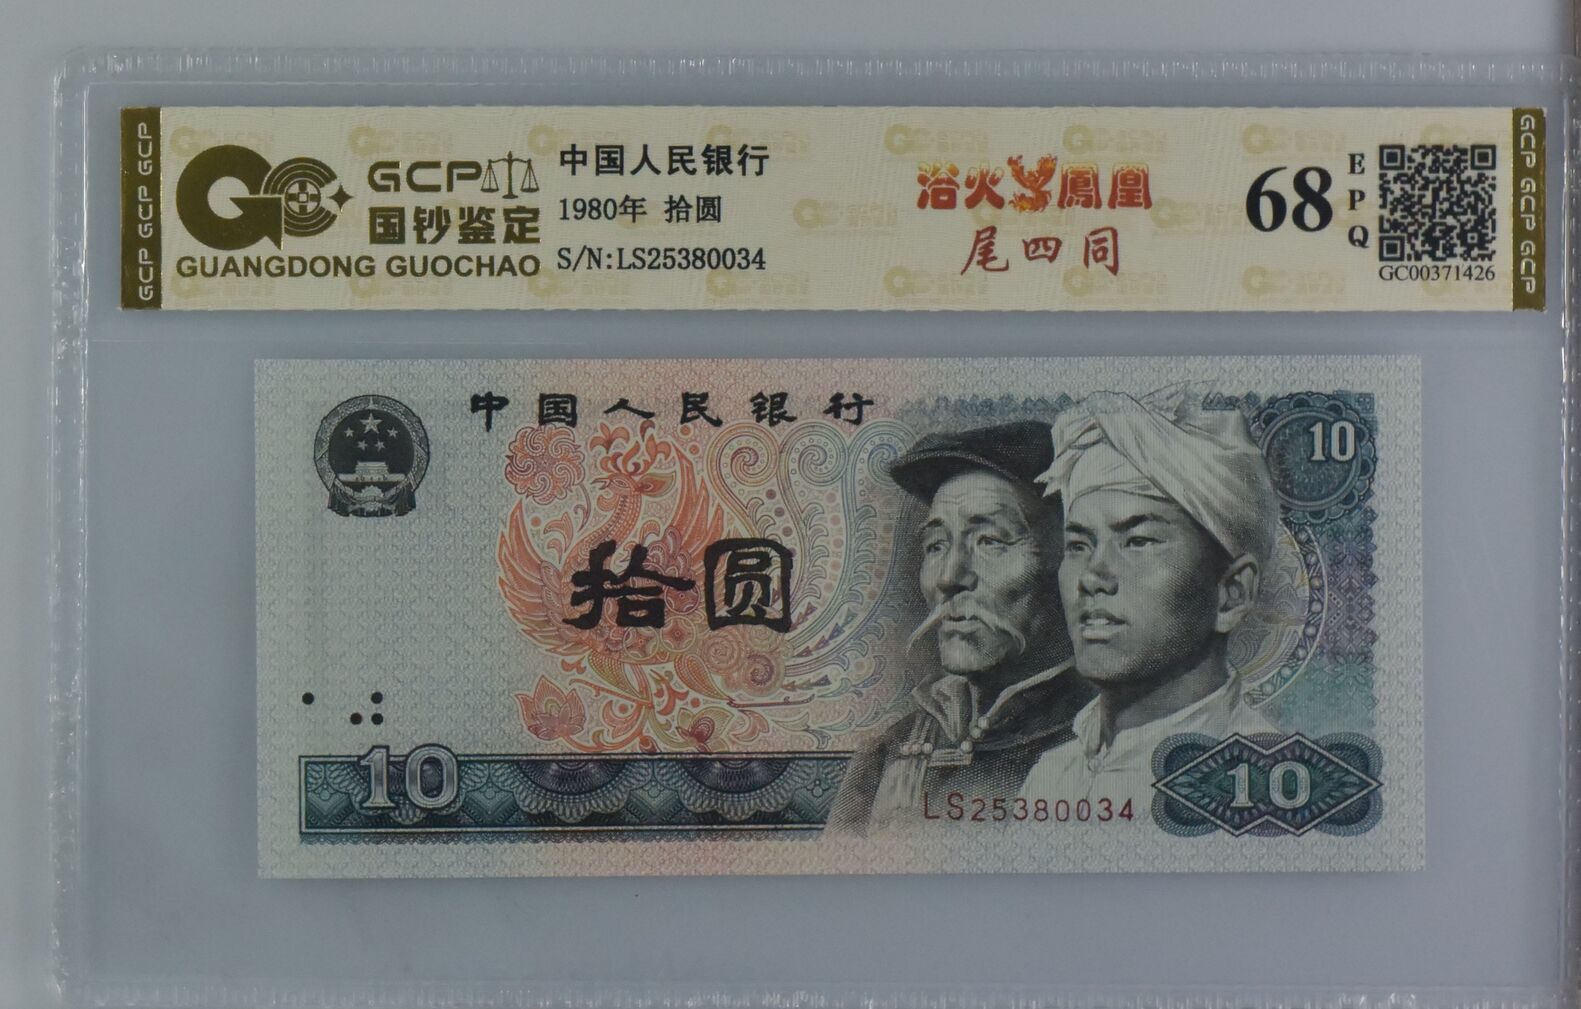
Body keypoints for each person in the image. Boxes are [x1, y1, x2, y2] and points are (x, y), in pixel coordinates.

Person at [1019, 386, 1281, 814]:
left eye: (1138, 541)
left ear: (1232, 592)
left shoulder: (1264, 786)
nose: (1092, 577)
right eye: (1079, 545)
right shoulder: (1049, 778)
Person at [828, 420, 1090, 832]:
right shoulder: (888, 753)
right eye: (936, 545)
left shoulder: (1112, 741)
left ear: (1070, 560)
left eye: (989, 541)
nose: (949, 577)